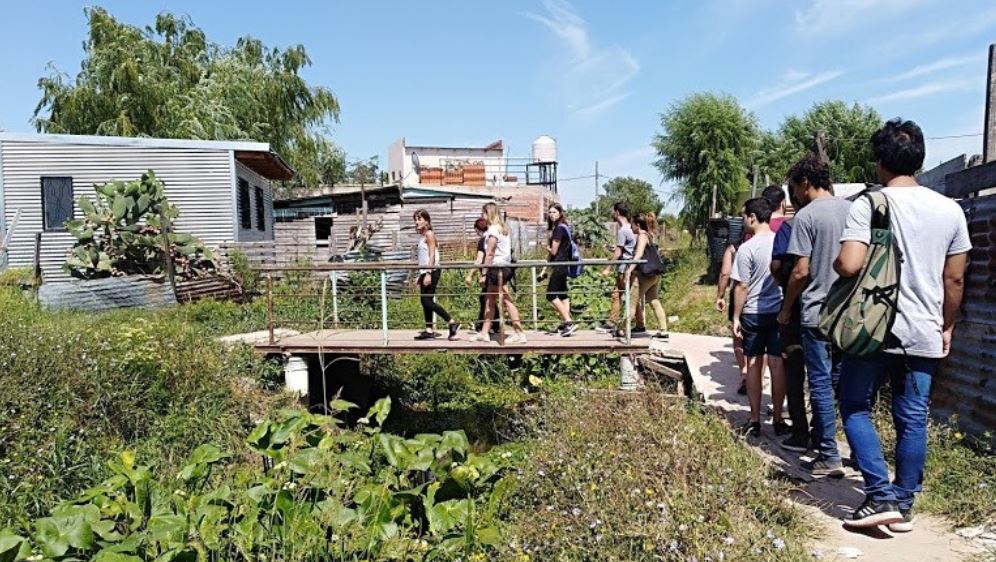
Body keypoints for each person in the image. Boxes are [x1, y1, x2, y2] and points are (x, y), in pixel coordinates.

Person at [834, 119, 970, 530]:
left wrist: (840, 264)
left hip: (874, 328)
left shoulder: (870, 204)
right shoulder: (950, 210)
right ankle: (904, 504)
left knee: (854, 405)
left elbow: (849, 264)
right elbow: (955, 279)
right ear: (919, 159)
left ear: (880, 162)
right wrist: (946, 326)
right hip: (924, 330)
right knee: (912, 417)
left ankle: (880, 496)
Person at [777, 154, 851, 477]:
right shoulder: (853, 210)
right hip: (848, 314)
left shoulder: (806, 217)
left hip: (816, 313)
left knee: (819, 383)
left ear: (805, 182)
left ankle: (829, 454)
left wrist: (786, 308)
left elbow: (800, 272)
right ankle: (847, 449)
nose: (794, 195)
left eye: (794, 188)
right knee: (841, 383)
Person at [731, 198, 786, 438]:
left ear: (752, 217)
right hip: (779, 311)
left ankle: (755, 419)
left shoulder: (747, 248)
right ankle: (778, 418)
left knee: (753, 363)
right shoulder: (781, 241)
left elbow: (742, 285)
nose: (743, 221)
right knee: (777, 363)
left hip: (753, 313)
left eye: (743, 216)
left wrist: (736, 316)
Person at [770, 188, 811, 453]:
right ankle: (824, 434)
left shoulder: (790, 227)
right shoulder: (848, 216)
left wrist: (785, 301)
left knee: (794, 372)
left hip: (796, 309)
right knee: (823, 377)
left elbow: (779, 267)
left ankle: (800, 433)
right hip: (834, 312)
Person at [470, 202, 528, 344]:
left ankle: (519, 333)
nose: (482, 216)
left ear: (488, 213)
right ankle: (484, 332)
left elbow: (489, 254)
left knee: (506, 301)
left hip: (497, 269)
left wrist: (484, 274)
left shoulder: (493, 230)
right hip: (503, 267)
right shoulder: (502, 228)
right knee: (489, 300)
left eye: (483, 213)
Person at [622, 212, 670, 340]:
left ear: (637, 225)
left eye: (632, 224)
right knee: (654, 301)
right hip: (654, 275)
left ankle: (622, 329)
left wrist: (629, 270)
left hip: (644, 276)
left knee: (631, 302)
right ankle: (663, 330)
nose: (630, 227)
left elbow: (638, 255)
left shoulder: (642, 236)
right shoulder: (649, 235)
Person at [413, 210, 459, 341]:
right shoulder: (423, 236)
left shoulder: (429, 234)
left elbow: (432, 254)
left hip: (432, 271)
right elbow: (423, 257)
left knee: (426, 301)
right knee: (425, 300)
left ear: (427, 221)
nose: (416, 222)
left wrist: (428, 272)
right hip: (425, 271)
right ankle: (429, 330)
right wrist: (421, 274)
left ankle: (451, 322)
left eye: (419, 219)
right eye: (415, 219)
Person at [716, 230, 749, 395]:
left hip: (738, 294)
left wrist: (720, 296)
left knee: (738, 337)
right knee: (760, 342)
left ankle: (744, 372)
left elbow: (725, 273)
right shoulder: (768, 242)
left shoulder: (734, 248)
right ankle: (756, 375)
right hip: (762, 296)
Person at [538, 204, 578, 336]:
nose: (551, 214)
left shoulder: (559, 229)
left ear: (560, 213)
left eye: (554, 212)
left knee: (550, 295)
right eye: (549, 212)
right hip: (564, 265)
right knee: (562, 295)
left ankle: (568, 321)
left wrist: (545, 246)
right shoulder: (564, 227)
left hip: (560, 265)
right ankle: (565, 325)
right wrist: (544, 270)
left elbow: (554, 252)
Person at [599, 202, 637, 334]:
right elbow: (627, 248)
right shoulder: (630, 228)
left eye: (613, 211)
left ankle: (612, 322)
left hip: (623, 268)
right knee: (631, 295)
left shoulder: (622, 231)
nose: (612, 214)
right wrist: (616, 248)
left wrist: (608, 268)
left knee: (617, 294)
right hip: (630, 267)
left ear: (617, 212)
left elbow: (618, 253)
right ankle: (639, 323)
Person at [465, 217, 499, 335]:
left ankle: (484, 325)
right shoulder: (493, 237)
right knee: (490, 298)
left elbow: (479, 260)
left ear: (477, 230)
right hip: (496, 271)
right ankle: (494, 325)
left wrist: (470, 274)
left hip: (488, 273)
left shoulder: (483, 240)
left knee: (486, 299)